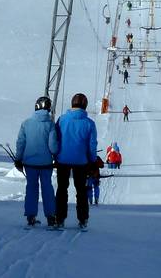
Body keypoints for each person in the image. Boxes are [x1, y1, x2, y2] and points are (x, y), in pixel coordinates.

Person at [13, 95, 59, 227]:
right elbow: (53, 146)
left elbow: (21, 143)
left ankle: (31, 216)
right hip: (46, 164)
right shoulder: (50, 124)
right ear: (48, 109)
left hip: (30, 163)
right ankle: (51, 217)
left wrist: (18, 159)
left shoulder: (26, 123)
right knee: (47, 188)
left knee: (31, 188)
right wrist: (55, 156)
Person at [54, 92, 98, 230]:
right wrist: (92, 160)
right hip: (81, 161)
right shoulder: (89, 123)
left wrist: (55, 155)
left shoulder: (62, 120)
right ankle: (83, 219)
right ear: (85, 105)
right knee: (81, 190)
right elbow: (92, 145)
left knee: (62, 188)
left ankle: (59, 218)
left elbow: (55, 139)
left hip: (62, 159)